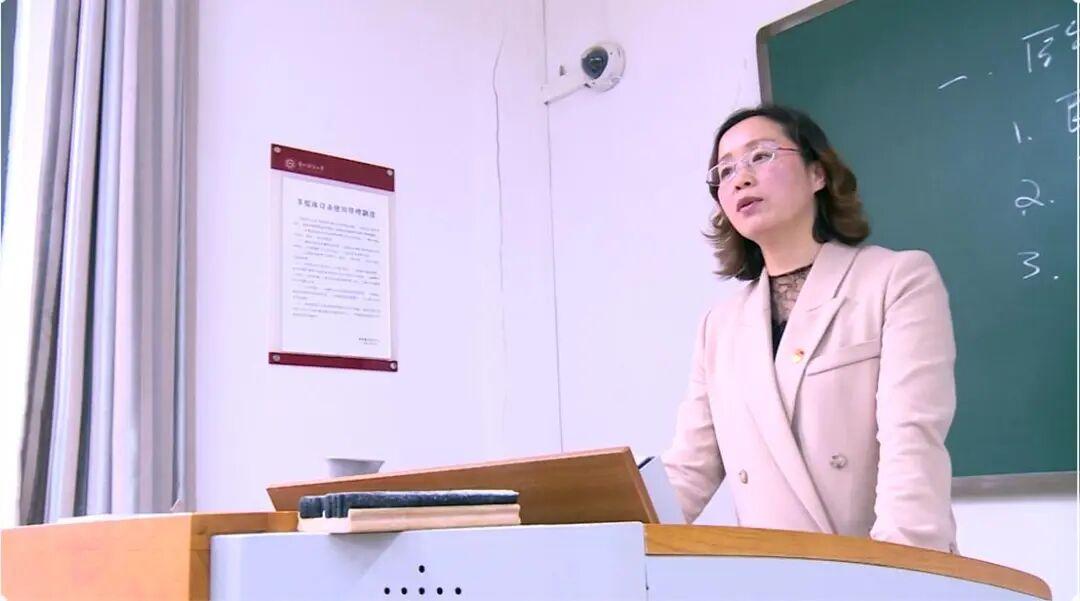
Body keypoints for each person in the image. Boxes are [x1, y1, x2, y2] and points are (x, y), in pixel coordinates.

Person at [661, 104, 958, 553]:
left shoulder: (895, 279)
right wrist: (608, 529)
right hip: (770, 573)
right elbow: (689, 470)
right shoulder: (718, 326)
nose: (740, 178)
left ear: (817, 173)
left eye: (760, 156)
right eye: (725, 170)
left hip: (875, 566)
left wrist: (900, 569)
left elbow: (911, 440)